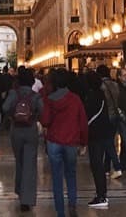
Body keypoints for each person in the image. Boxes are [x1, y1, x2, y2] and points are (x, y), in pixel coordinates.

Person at [41, 68, 88, 217]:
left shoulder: (49, 100)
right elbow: (83, 122)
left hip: (54, 141)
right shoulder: (75, 99)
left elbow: (45, 121)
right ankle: (72, 205)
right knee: (71, 174)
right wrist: (84, 142)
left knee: (56, 177)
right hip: (71, 142)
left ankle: (60, 212)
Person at [3, 67, 43, 211]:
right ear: (32, 81)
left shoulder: (14, 93)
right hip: (31, 130)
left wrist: (13, 115)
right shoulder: (35, 96)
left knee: (19, 161)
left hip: (16, 131)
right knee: (29, 164)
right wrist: (35, 116)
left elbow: (5, 107)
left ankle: (20, 191)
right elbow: (42, 111)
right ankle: (27, 199)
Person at [83, 71, 112, 208]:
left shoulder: (92, 96)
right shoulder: (101, 95)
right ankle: (101, 194)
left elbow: (87, 115)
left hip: (95, 134)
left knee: (96, 165)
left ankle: (101, 196)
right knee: (98, 164)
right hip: (103, 132)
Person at [96, 65, 122, 178]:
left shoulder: (101, 86)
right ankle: (106, 168)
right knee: (109, 141)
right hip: (116, 116)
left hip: (107, 117)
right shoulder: (116, 85)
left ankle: (117, 167)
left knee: (108, 143)